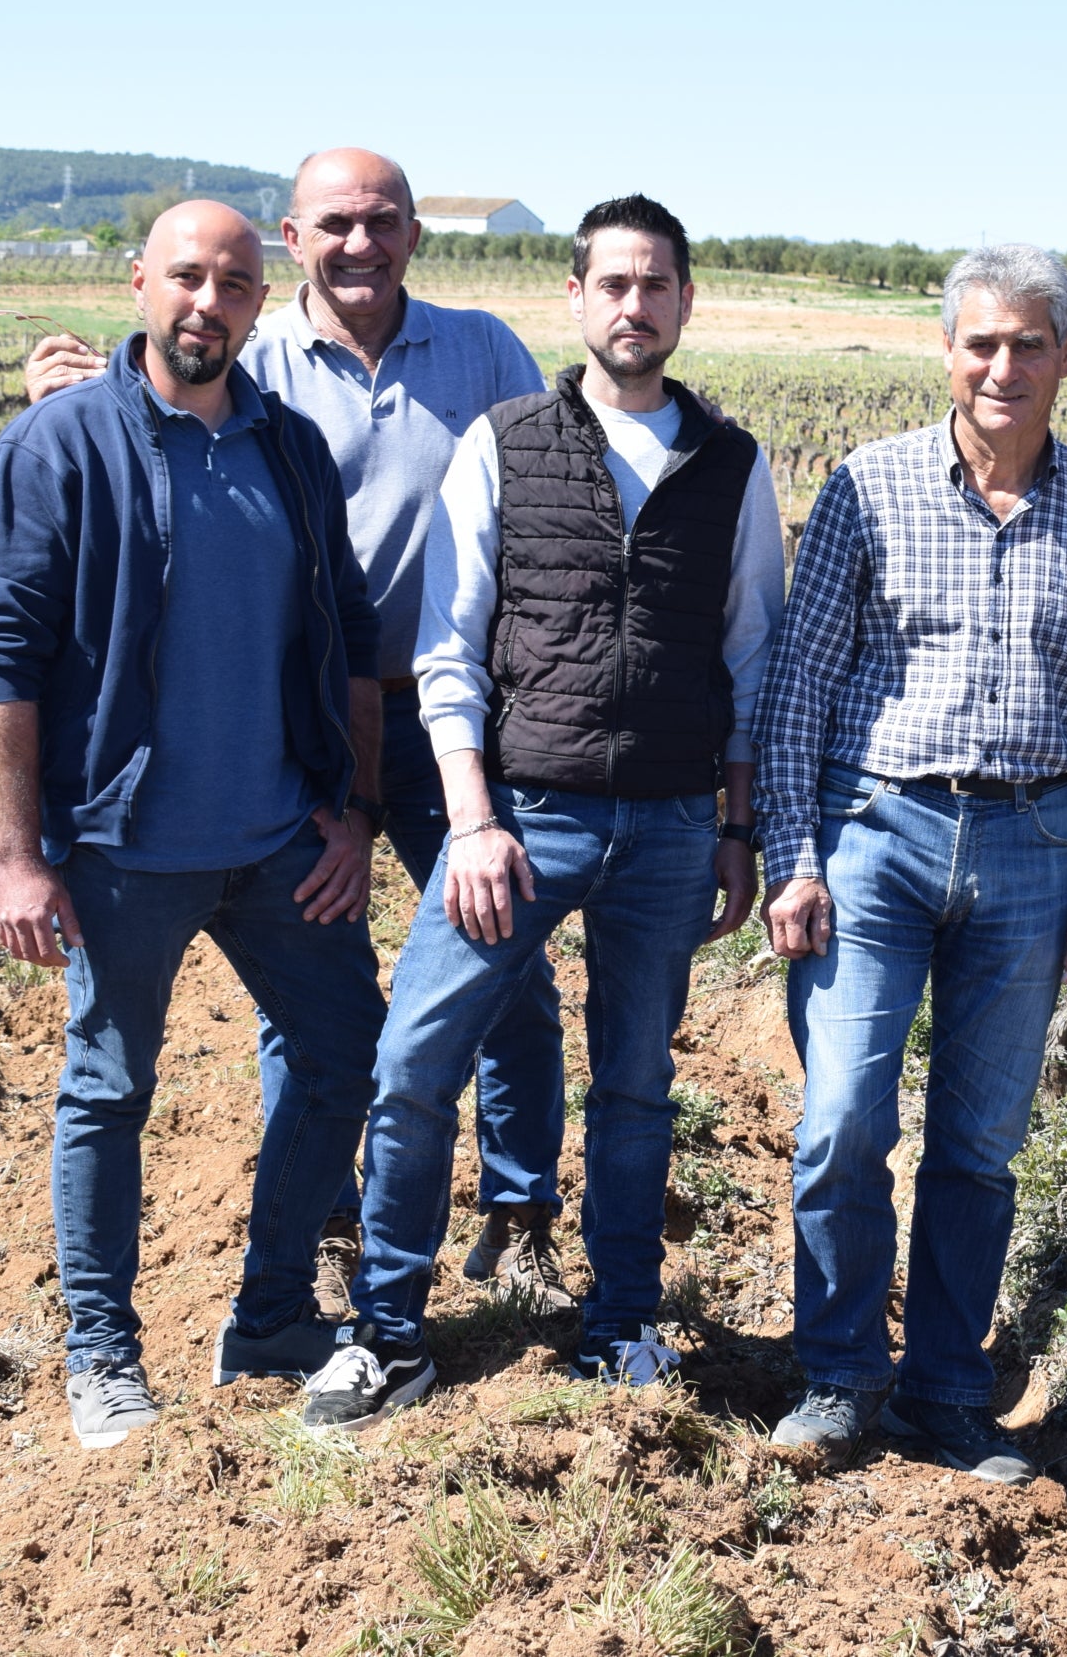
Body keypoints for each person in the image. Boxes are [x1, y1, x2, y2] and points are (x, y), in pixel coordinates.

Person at [25, 150, 565, 1316]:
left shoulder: (485, 351)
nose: (359, 243)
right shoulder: (252, 361)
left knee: (505, 964)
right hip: (309, 725)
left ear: (416, 232)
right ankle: (318, 1222)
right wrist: (58, 400)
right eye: (335, 224)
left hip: (460, 717)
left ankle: (518, 1212)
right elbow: (142, 411)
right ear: (291, 242)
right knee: (308, 989)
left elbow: (555, 476)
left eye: (382, 221)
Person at [298, 195, 785, 1433]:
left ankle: (618, 1322)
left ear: (685, 303)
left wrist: (737, 827)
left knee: (632, 1086)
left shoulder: (733, 464)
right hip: (524, 814)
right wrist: (470, 821)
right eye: (611, 284)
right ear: (574, 301)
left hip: (673, 827)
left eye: (656, 285)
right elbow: (450, 648)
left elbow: (752, 659)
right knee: (415, 1062)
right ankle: (389, 1330)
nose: (634, 306)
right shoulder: (506, 439)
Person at [0, 202, 386, 1450]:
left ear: (266, 300)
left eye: (236, 283)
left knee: (344, 1049)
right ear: (142, 281)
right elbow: (3, 656)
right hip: (121, 847)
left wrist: (353, 812)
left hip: (274, 844)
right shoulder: (61, 442)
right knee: (108, 1088)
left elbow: (349, 639)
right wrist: (17, 856)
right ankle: (102, 1357)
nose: (209, 302)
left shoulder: (289, 448)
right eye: (187, 277)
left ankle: (268, 1315)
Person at [754, 245, 1067, 1486]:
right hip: (877, 833)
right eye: (979, 343)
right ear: (946, 353)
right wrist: (792, 855)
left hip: (1035, 845)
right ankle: (836, 1377)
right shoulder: (869, 488)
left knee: (978, 1146)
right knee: (839, 1124)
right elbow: (800, 687)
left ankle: (941, 1392)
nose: (1002, 366)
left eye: (1027, 343)